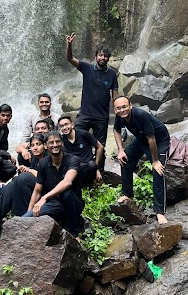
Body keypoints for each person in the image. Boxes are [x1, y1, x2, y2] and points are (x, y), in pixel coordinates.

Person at [113, 96, 170, 224]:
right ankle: (128, 194)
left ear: (130, 106)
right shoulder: (119, 116)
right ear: (115, 110)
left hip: (159, 140)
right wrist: (120, 149)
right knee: (125, 159)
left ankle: (160, 212)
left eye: (124, 107)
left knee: (158, 171)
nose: (122, 110)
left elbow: (151, 139)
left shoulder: (140, 115)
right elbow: (116, 130)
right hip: (141, 138)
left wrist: (155, 161)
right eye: (119, 108)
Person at [65, 34, 119, 166]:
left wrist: (119, 110)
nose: (102, 58)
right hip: (85, 114)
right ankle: (72, 167)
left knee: (100, 145)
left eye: (105, 56)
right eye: (100, 55)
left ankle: (98, 172)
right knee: (74, 137)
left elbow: (115, 94)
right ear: (96, 57)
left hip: (101, 116)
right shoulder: (87, 68)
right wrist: (69, 45)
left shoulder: (112, 73)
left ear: (108, 58)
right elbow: (70, 58)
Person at [0, 133, 48, 234]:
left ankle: (21, 218)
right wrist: (27, 170)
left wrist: (29, 171)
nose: (35, 148)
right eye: (32, 145)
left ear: (45, 145)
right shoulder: (35, 158)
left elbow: (46, 177)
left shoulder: (49, 157)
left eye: (38, 144)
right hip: (35, 189)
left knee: (22, 178)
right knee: (13, 183)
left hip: (47, 192)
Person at [24, 130, 81, 235]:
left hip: (74, 203)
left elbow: (67, 182)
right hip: (55, 204)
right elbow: (37, 191)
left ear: (62, 143)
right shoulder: (43, 163)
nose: (55, 145)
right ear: (46, 146)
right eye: (51, 142)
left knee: (66, 193)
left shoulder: (73, 160)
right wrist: (29, 213)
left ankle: (74, 234)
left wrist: (44, 198)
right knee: (26, 218)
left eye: (57, 141)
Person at [57, 114, 103, 190]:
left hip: (89, 166)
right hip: (75, 169)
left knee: (92, 165)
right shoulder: (62, 141)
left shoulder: (84, 134)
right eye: (61, 126)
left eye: (66, 124)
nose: (64, 128)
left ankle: (91, 187)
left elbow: (100, 147)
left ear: (72, 125)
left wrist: (97, 168)